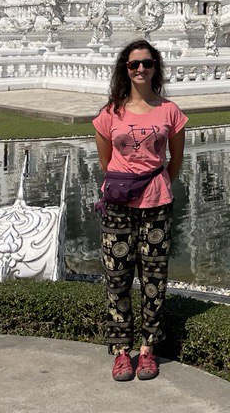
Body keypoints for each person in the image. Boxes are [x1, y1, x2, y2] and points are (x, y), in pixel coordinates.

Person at [93, 40, 186, 382]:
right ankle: (121, 351)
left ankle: (147, 349)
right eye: (134, 65)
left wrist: (157, 183)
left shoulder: (170, 111)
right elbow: (106, 161)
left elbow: (175, 159)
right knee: (117, 276)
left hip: (157, 202)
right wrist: (125, 182)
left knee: (153, 279)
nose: (140, 70)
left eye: (146, 64)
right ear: (125, 69)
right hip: (118, 203)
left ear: (155, 68)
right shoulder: (110, 113)